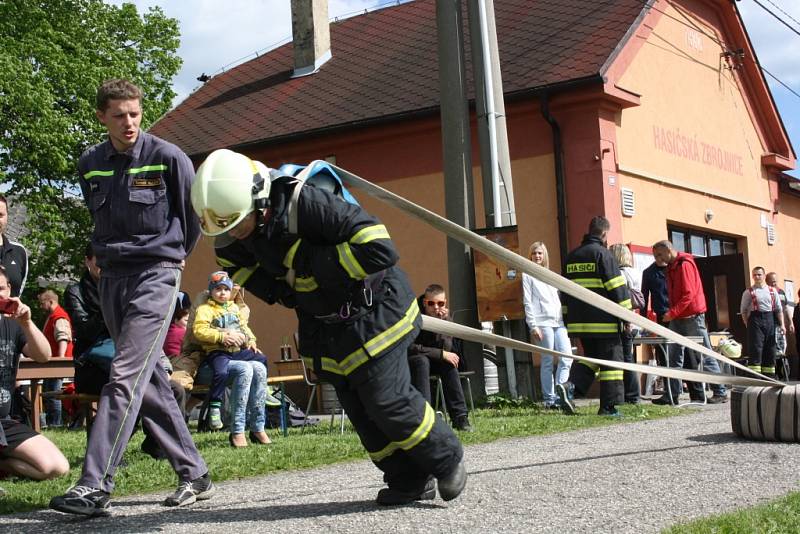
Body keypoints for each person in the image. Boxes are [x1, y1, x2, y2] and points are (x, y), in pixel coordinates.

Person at [191, 148, 466, 506]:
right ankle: (409, 481)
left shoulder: (303, 203)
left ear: (259, 199)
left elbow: (380, 249)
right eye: (225, 226)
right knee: (361, 412)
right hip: (327, 327)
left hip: (376, 310)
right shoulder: (227, 235)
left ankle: (446, 459)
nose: (236, 235)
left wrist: (309, 268)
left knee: (386, 398)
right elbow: (265, 284)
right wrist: (299, 286)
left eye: (239, 222)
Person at [50, 79, 212, 518]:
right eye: (119, 115)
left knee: (123, 376)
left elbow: (191, 219)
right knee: (149, 379)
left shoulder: (168, 158)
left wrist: (173, 261)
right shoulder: (90, 164)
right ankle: (194, 471)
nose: (129, 123)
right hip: (112, 281)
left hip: (156, 277)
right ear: (102, 116)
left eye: (135, 114)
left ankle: (95, 485)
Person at [0, 268, 70, 481]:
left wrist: (27, 323)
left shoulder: (15, 323)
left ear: (10, 290)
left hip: (4, 421)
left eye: (1, 289)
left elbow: (43, 355)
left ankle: (3, 465)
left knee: (56, 467)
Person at [556, 216, 629, 417]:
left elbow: (564, 292)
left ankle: (570, 387)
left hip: (580, 323)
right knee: (611, 364)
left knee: (592, 358)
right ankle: (608, 407)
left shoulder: (572, 257)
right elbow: (617, 289)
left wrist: (568, 321)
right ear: (604, 234)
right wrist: (627, 317)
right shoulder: (603, 255)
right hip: (604, 322)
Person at [192, 271, 270, 446]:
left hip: (235, 352)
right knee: (245, 368)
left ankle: (258, 423)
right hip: (216, 352)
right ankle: (234, 426)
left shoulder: (234, 308)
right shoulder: (205, 309)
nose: (222, 293)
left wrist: (251, 341)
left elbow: (244, 327)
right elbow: (198, 331)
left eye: (225, 290)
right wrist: (221, 336)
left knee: (260, 363)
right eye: (218, 289)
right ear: (211, 291)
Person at [651, 240, 727, 405]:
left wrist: (672, 313)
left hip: (692, 317)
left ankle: (720, 391)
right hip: (679, 318)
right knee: (673, 357)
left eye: (659, 254)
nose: (657, 258)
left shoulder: (684, 265)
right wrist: (674, 314)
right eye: (655, 255)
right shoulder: (672, 267)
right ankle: (672, 394)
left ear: (668, 250)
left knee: (706, 355)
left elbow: (688, 294)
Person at [408, 284, 472, 431]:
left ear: (445, 302)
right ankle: (427, 419)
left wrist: (443, 323)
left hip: (434, 360)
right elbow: (410, 347)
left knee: (448, 363)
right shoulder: (413, 315)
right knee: (422, 361)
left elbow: (447, 348)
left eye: (440, 303)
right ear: (425, 302)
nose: (436, 308)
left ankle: (460, 418)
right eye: (431, 303)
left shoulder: (445, 317)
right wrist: (440, 354)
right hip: (414, 361)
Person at [522, 241, 572, 409]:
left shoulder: (549, 274)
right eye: (534, 253)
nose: (537, 256)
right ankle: (549, 399)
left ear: (545, 256)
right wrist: (533, 326)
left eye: (540, 253)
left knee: (566, 357)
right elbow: (527, 302)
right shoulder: (527, 274)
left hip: (558, 322)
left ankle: (561, 394)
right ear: (530, 255)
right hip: (542, 322)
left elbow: (557, 300)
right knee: (548, 360)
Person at [609, 244, 642, 404]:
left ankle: (632, 396)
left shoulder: (620, 274)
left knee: (626, 360)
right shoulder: (635, 272)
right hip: (634, 322)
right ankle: (633, 395)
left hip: (625, 322)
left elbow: (622, 300)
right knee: (629, 358)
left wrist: (626, 321)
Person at [37, 289, 74, 428]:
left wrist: (60, 359)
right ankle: (53, 422)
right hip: (52, 364)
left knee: (53, 393)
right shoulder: (54, 316)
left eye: (42, 303)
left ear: (50, 301)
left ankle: (55, 423)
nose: (41, 306)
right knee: (49, 393)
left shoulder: (59, 317)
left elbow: (63, 338)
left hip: (57, 363)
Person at [740, 267, 785, 378]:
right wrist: (747, 324)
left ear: (764, 276)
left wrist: (783, 325)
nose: (757, 277)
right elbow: (743, 311)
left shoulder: (772, 291)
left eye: (759, 274)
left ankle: (769, 377)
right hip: (755, 320)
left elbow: (779, 309)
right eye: (754, 275)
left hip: (770, 318)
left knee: (770, 348)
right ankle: (756, 378)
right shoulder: (748, 292)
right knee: (756, 348)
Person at [0, 194, 28, 297]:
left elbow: (18, 294)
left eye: (0, 215)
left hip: (9, 313)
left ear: (7, 216)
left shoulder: (19, 252)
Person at [766, 272, 795, 357]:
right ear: (766, 281)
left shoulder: (781, 292)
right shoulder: (765, 292)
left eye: (775, 281)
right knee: (772, 346)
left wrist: (791, 322)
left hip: (780, 324)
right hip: (769, 323)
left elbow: (786, 308)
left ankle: (782, 364)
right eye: (771, 282)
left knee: (781, 345)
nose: (774, 284)